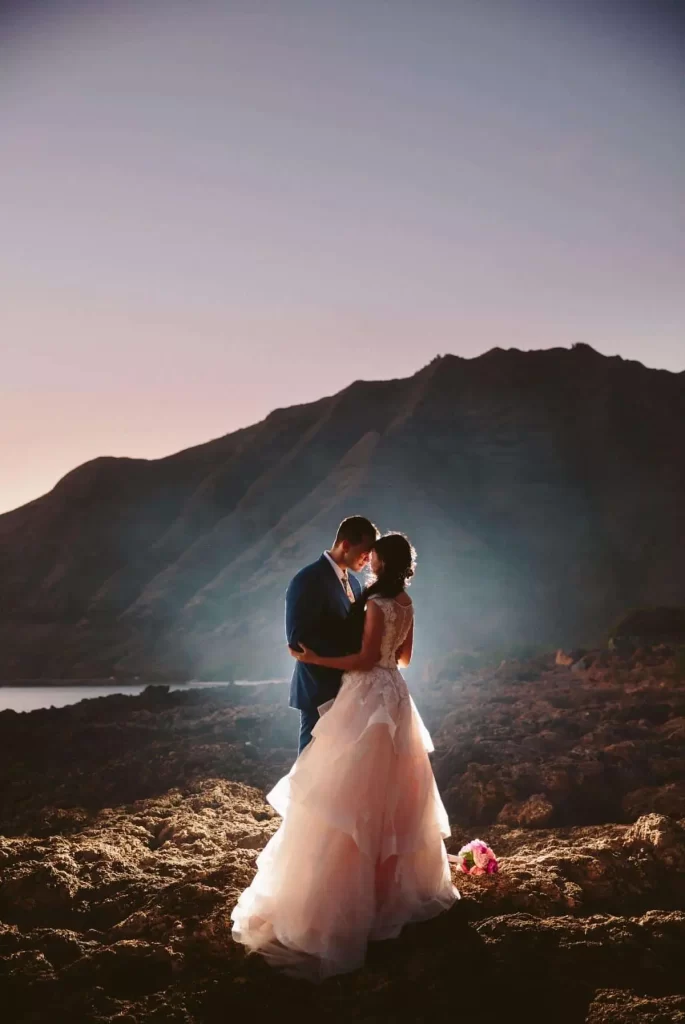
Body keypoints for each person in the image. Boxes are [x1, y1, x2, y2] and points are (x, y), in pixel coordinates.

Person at [230, 532, 459, 982]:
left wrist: (318, 657)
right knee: (394, 790)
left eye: (372, 558)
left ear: (380, 562)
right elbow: (403, 658)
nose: (366, 562)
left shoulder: (374, 604)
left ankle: (341, 906)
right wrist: (381, 655)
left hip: (367, 694)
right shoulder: (407, 604)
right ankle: (390, 895)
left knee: (347, 792)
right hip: (396, 695)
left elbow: (364, 659)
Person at [285, 515, 379, 755]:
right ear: (346, 545)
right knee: (311, 764)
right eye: (365, 552)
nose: (368, 560)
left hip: (349, 690)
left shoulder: (355, 584)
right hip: (319, 690)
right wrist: (351, 657)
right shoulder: (307, 579)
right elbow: (299, 639)